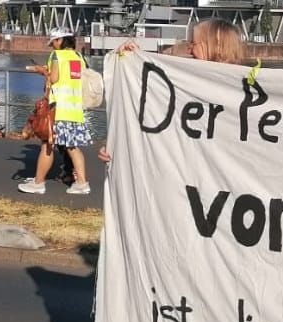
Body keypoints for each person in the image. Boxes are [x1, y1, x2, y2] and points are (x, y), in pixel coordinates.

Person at [99, 19, 248, 164]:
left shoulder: (244, 97)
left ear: (218, 47)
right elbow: (156, 120)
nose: (189, 49)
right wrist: (118, 145)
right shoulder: (184, 87)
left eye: (194, 43)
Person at [18, 28, 91, 195]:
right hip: (74, 108)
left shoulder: (57, 56)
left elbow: (54, 78)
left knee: (48, 145)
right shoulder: (78, 56)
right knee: (73, 146)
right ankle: (82, 182)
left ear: (60, 41)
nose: (52, 46)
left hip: (57, 108)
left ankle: (38, 184)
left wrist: (41, 70)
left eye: (53, 42)